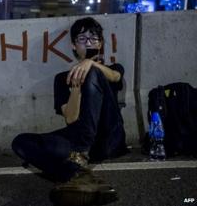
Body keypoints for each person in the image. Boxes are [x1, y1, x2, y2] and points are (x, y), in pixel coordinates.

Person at [11, 17, 128, 205]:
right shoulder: (61, 79)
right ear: (74, 46)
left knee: (93, 73)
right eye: (82, 39)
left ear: (101, 44)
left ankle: (77, 161)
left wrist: (90, 64)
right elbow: (71, 119)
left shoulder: (111, 68)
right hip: (79, 142)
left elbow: (115, 77)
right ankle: (76, 173)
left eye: (94, 38)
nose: (88, 42)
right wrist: (76, 87)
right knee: (21, 142)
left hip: (108, 138)